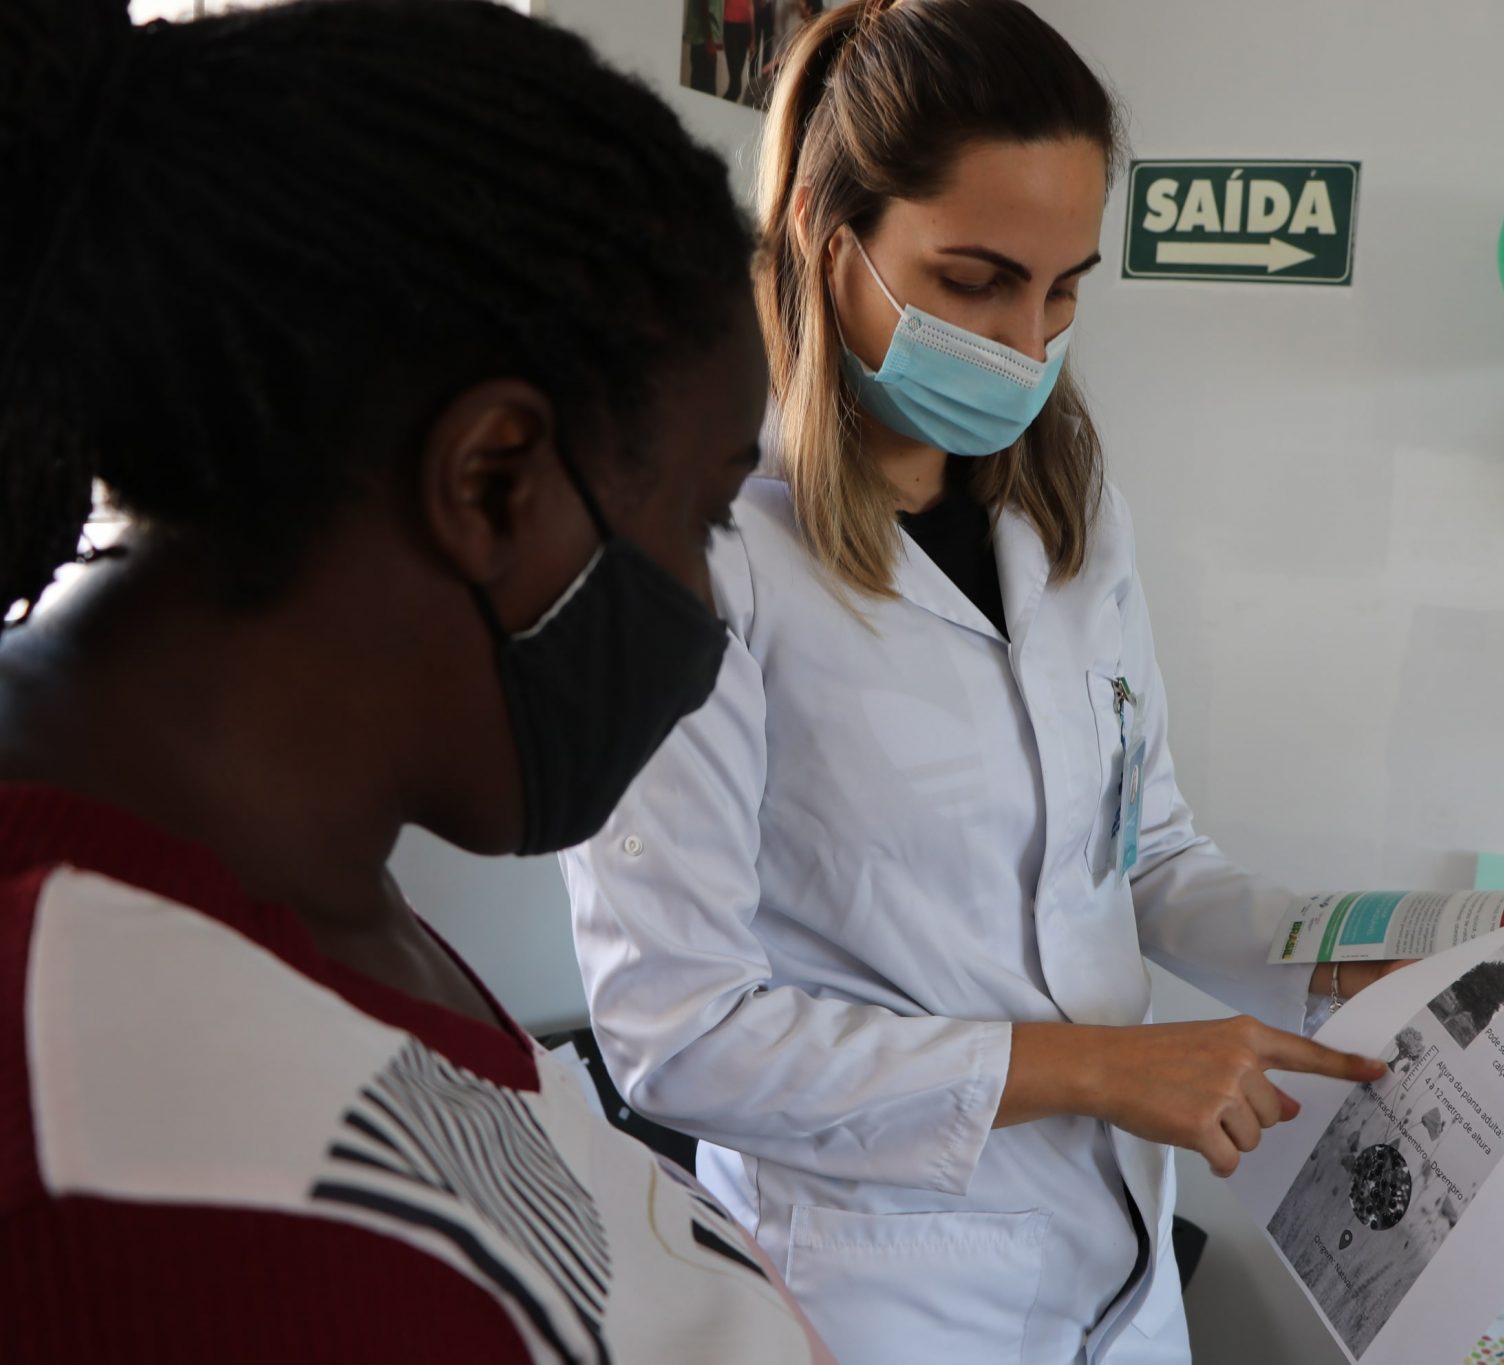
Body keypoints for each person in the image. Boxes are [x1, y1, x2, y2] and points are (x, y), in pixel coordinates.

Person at [564, 2, 1399, 1363]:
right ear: (827, 239)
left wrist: (1343, 946)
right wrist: (1100, 1068)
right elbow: (681, 1036)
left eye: (1064, 289)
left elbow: (1142, 859)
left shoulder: (1067, 511)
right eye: (974, 281)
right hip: (871, 1292)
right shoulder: (699, 544)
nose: (1025, 339)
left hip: (1120, 1270)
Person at [0, 2, 826, 1360]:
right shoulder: (158, 1198)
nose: (708, 607)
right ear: (492, 481)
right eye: (705, 517)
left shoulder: (308, 874)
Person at [722, 0, 755, 102]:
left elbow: (750, 6)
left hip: (744, 29)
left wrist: (753, 39)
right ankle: (721, 106)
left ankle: (725, 107)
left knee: (735, 81)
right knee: (736, 85)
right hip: (730, 26)